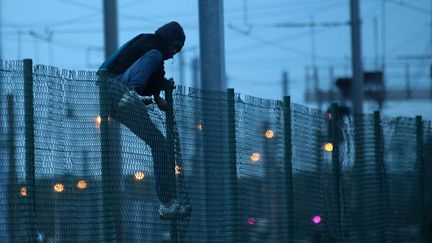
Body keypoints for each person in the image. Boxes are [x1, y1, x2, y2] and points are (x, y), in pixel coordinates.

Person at [97, 21, 190, 219]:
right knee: (154, 58)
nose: (173, 53)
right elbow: (148, 69)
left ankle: (167, 203)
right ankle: (134, 94)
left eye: (177, 50)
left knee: (159, 144)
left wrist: (157, 97)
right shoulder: (152, 45)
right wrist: (141, 92)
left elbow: (155, 76)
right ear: (166, 40)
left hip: (117, 98)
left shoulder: (152, 50)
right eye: (173, 47)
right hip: (117, 89)